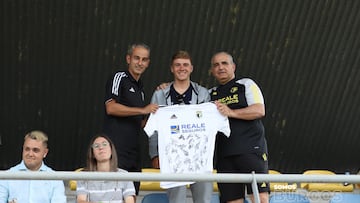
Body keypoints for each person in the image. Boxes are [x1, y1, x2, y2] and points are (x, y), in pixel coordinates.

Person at [148, 50, 214, 203]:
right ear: (172, 68)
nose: (181, 68)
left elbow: (209, 126)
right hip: (172, 158)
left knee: (204, 200)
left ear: (191, 68)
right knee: (176, 201)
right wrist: (155, 155)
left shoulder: (203, 94)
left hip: (199, 157)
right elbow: (154, 127)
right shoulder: (160, 94)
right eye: (177, 65)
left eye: (185, 65)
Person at [209, 52, 270, 203]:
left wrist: (231, 112)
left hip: (251, 151)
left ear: (233, 67)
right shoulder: (210, 94)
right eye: (216, 65)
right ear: (212, 70)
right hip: (224, 156)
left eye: (224, 63)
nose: (220, 67)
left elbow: (259, 110)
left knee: (260, 198)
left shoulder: (246, 84)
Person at [102, 43, 159, 194]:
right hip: (116, 151)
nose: (140, 63)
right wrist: (142, 109)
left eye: (144, 59)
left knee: (132, 195)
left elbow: (140, 122)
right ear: (128, 59)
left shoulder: (140, 88)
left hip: (133, 153)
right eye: (137, 58)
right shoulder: (119, 77)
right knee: (113, 196)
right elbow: (111, 107)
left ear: (148, 63)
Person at [0, 130, 66, 203]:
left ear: (45, 152)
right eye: (27, 149)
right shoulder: (7, 176)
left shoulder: (55, 179)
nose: (30, 154)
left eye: (35, 150)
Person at [76, 134, 136, 203]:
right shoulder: (83, 175)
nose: (101, 148)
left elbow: (130, 201)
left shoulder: (124, 175)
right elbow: (81, 201)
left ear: (111, 150)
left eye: (104, 144)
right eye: (96, 146)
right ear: (92, 154)